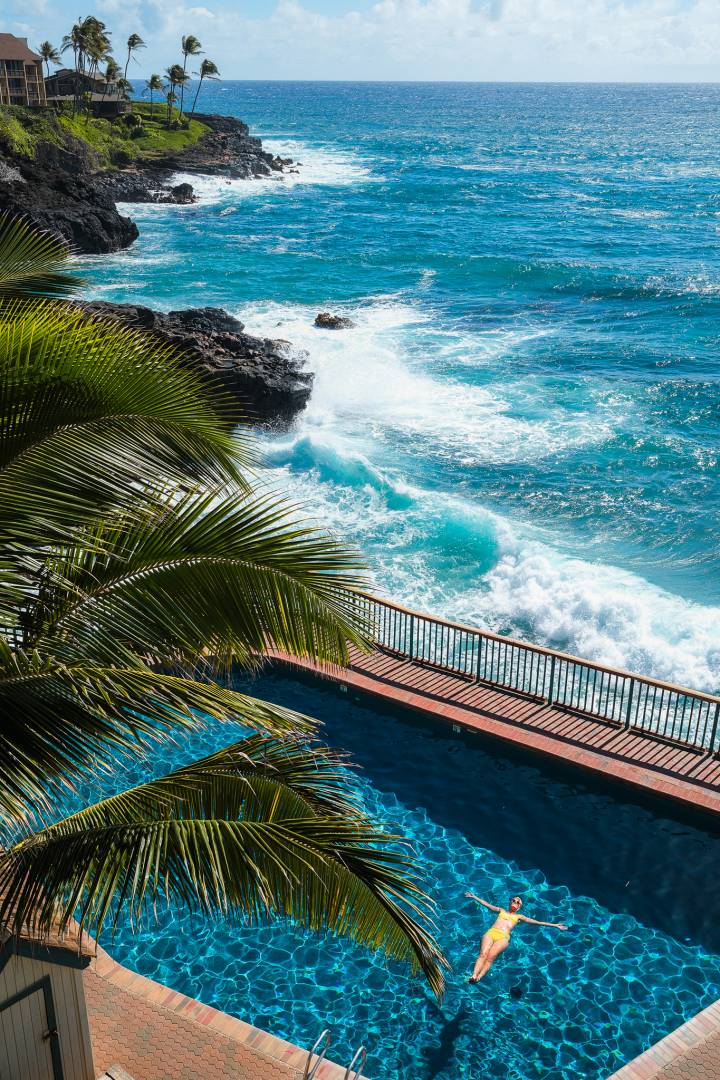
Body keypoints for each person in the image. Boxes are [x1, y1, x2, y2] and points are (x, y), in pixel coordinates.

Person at [465, 892, 568, 983]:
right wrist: (474, 897)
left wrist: (555, 925)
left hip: (503, 938)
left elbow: (537, 922)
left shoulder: (519, 917)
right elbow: (487, 905)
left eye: (518, 902)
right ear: (510, 902)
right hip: (491, 933)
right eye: (513, 900)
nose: (515, 902)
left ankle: (479, 978)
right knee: (483, 954)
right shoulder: (501, 911)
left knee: (490, 957)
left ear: (519, 907)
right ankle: (474, 975)